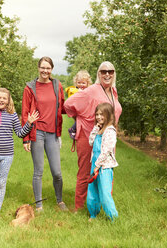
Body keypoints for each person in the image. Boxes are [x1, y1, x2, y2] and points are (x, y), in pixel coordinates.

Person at [64, 61, 122, 212]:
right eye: (103, 71)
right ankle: (79, 206)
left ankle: (103, 207)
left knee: (106, 171)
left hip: (108, 138)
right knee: (85, 172)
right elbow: (69, 103)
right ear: (98, 74)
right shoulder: (92, 90)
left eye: (110, 71)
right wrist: (83, 118)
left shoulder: (113, 91)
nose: (107, 74)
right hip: (90, 136)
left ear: (114, 74)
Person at [21, 56, 68, 212]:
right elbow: (25, 112)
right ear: (38, 68)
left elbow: (63, 107)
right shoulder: (30, 88)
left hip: (53, 133)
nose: (45, 71)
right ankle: (39, 205)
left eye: (48, 68)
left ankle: (60, 201)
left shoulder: (57, 85)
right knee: (38, 171)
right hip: (37, 133)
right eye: (43, 67)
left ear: (52, 69)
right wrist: (25, 138)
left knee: (57, 172)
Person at [87, 103, 119, 221]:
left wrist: (98, 165)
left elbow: (106, 151)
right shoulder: (99, 129)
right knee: (93, 190)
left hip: (104, 166)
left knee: (105, 193)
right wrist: (96, 127)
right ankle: (93, 214)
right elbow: (91, 142)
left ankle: (113, 217)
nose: (99, 117)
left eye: (102, 114)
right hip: (94, 163)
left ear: (108, 115)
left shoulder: (110, 131)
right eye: (97, 114)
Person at [65, 70, 92, 140]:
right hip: (80, 110)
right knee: (79, 119)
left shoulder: (88, 91)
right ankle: (73, 129)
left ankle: (75, 130)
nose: (81, 85)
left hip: (86, 110)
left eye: (83, 83)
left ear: (88, 83)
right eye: (79, 83)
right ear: (76, 83)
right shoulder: (77, 91)